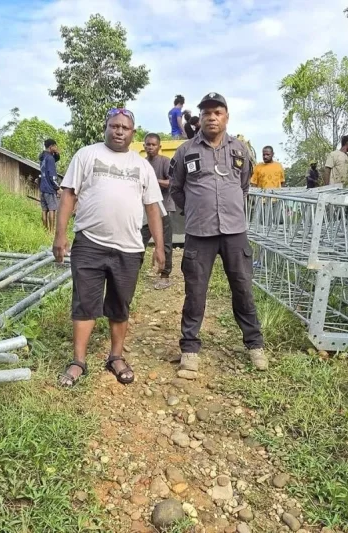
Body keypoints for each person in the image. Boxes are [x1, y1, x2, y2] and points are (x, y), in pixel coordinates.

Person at [53, 108, 166, 388]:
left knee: (120, 304)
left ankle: (115, 357)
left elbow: (152, 208)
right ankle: (78, 361)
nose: (118, 131)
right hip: (90, 243)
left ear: (133, 133)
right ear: (105, 128)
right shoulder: (87, 154)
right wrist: (60, 235)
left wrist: (160, 248)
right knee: (84, 302)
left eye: (125, 128)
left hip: (129, 247)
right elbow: (68, 194)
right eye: (114, 126)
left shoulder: (142, 167)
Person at [170, 92, 267, 379]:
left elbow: (244, 185)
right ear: (199, 118)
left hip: (235, 232)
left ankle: (255, 345)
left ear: (226, 117)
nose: (212, 117)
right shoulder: (185, 151)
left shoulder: (240, 149)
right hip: (200, 233)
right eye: (206, 113)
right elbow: (176, 189)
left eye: (217, 112)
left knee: (243, 288)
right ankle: (189, 350)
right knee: (195, 292)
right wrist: (197, 211)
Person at [140, 133, 174, 290]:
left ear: (159, 147)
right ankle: (132, 271)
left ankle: (165, 276)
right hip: (147, 209)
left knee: (165, 243)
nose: (150, 147)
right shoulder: (142, 164)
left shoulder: (165, 162)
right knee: (139, 241)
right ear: (143, 146)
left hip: (165, 208)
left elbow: (171, 183)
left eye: (153, 145)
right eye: (148, 144)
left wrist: (153, 181)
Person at [39, 139, 61, 232]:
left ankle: (45, 230)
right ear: (50, 147)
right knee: (52, 209)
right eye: (55, 146)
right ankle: (51, 232)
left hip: (42, 187)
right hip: (49, 188)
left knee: (44, 210)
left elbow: (56, 158)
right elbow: (52, 175)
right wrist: (57, 187)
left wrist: (56, 153)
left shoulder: (43, 157)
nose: (56, 148)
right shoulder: (50, 158)